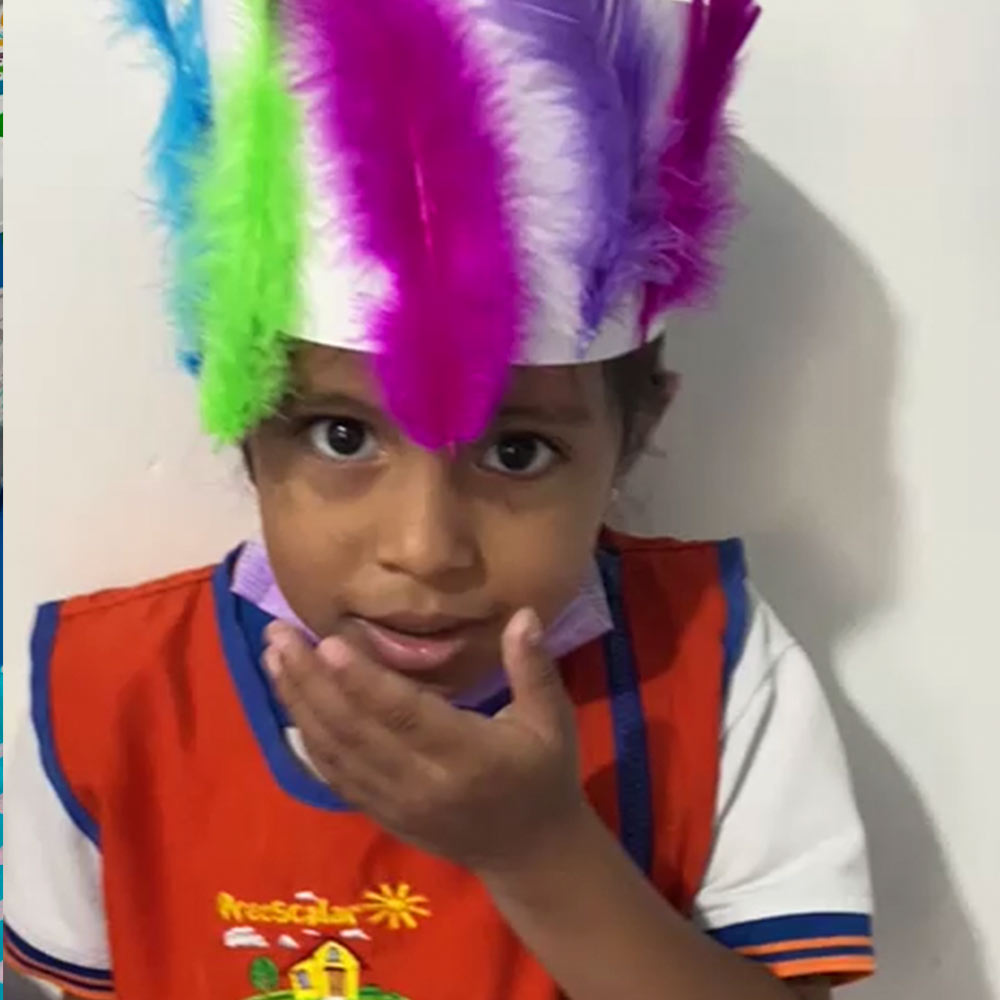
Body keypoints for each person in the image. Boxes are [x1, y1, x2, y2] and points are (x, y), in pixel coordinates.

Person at [3, 1, 875, 998]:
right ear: (243, 419)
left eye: (516, 450)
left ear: (633, 434)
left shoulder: (712, 661)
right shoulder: (103, 695)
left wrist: (538, 851)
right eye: (341, 436)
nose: (424, 548)